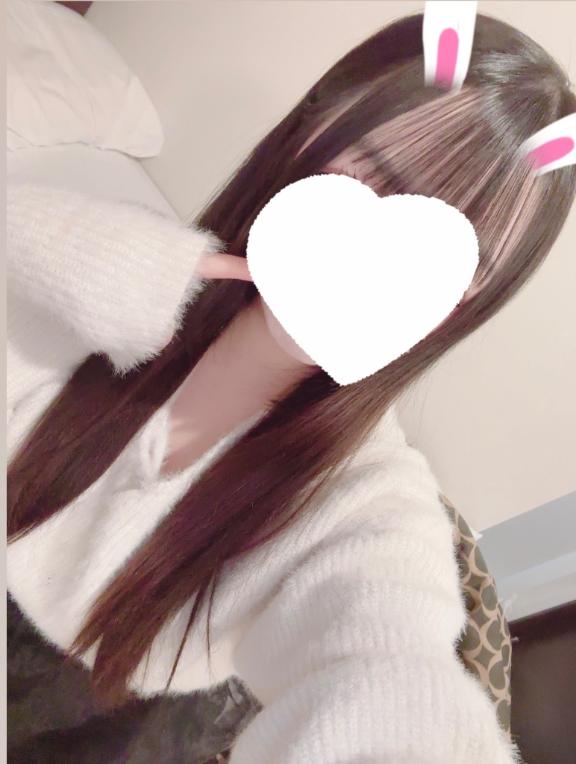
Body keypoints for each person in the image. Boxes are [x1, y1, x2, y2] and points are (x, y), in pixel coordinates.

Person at [7, 10, 576, 763]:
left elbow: (390, 669)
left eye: (449, 262)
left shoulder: (368, 510)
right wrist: (140, 273)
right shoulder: (101, 282)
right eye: (376, 177)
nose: (377, 268)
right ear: (314, 127)